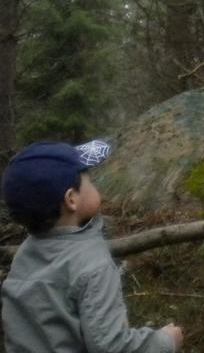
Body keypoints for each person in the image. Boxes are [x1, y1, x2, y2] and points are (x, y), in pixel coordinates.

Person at [1, 141, 184, 353]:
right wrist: (164, 342)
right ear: (71, 199)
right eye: (89, 180)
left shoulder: (26, 252)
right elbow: (110, 346)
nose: (94, 183)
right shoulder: (92, 265)